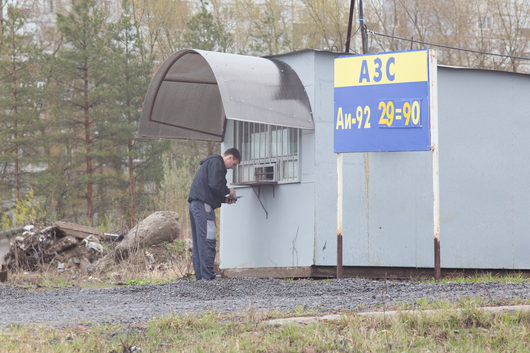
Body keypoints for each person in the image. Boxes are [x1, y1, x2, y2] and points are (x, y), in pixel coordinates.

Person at [187, 148, 241, 280]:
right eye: (233, 164)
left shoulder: (208, 163)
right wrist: (229, 191)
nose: (232, 168)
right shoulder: (217, 163)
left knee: (199, 242)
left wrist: (224, 199)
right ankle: (207, 276)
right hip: (204, 207)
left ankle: (201, 276)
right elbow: (215, 185)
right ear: (229, 157)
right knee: (208, 240)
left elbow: (209, 189)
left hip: (195, 205)